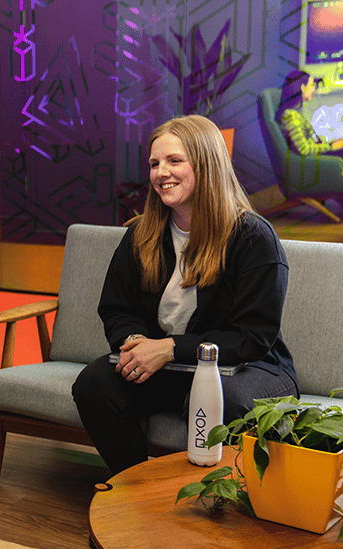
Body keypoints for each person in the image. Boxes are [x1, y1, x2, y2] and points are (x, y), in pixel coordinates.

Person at [71, 116, 299, 475]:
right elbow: (116, 308)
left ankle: (209, 500)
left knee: (224, 401)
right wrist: (136, 344)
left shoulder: (253, 238)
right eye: (154, 163)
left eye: (175, 161)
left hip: (249, 367)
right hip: (174, 365)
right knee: (96, 383)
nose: (162, 172)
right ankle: (137, 494)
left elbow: (251, 337)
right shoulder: (140, 234)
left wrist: (168, 348)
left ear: (206, 163)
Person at [276, 70, 343, 162]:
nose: (314, 89)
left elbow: (311, 140)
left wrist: (334, 142)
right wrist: (331, 146)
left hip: (314, 156)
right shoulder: (291, 116)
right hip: (311, 162)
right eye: (311, 86)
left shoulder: (295, 113)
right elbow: (304, 149)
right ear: (303, 88)